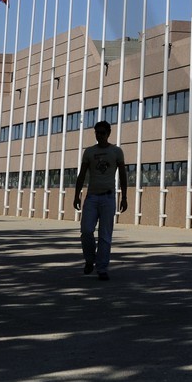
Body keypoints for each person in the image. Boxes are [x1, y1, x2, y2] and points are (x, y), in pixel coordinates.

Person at [73, 120, 128, 281]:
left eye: (102, 133)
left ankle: (102, 268)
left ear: (109, 133)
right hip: (91, 197)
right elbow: (82, 175)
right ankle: (90, 260)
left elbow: (123, 175)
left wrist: (124, 197)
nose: (99, 136)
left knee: (105, 235)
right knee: (86, 230)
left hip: (108, 197)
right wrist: (77, 195)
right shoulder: (89, 152)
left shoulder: (116, 152)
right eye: (97, 133)